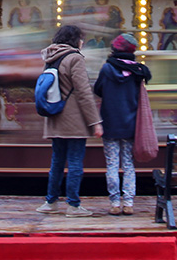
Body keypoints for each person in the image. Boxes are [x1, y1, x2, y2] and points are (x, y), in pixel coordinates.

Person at [36, 24, 103, 217]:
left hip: (54, 117)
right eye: (81, 38)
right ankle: (73, 205)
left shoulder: (49, 57)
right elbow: (83, 92)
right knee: (74, 161)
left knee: (57, 161)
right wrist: (94, 122)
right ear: (75, 39)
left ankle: (51, 201)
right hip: (73, 120)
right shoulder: (75, 58)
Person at [93, 33, 151, 216]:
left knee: (111, 163)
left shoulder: (107, 69)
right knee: (128, 164)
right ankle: (129, 202)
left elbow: (98, 89)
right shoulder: (138, 72)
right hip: (130, 124)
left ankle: (115, 203)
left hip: (110, 123)